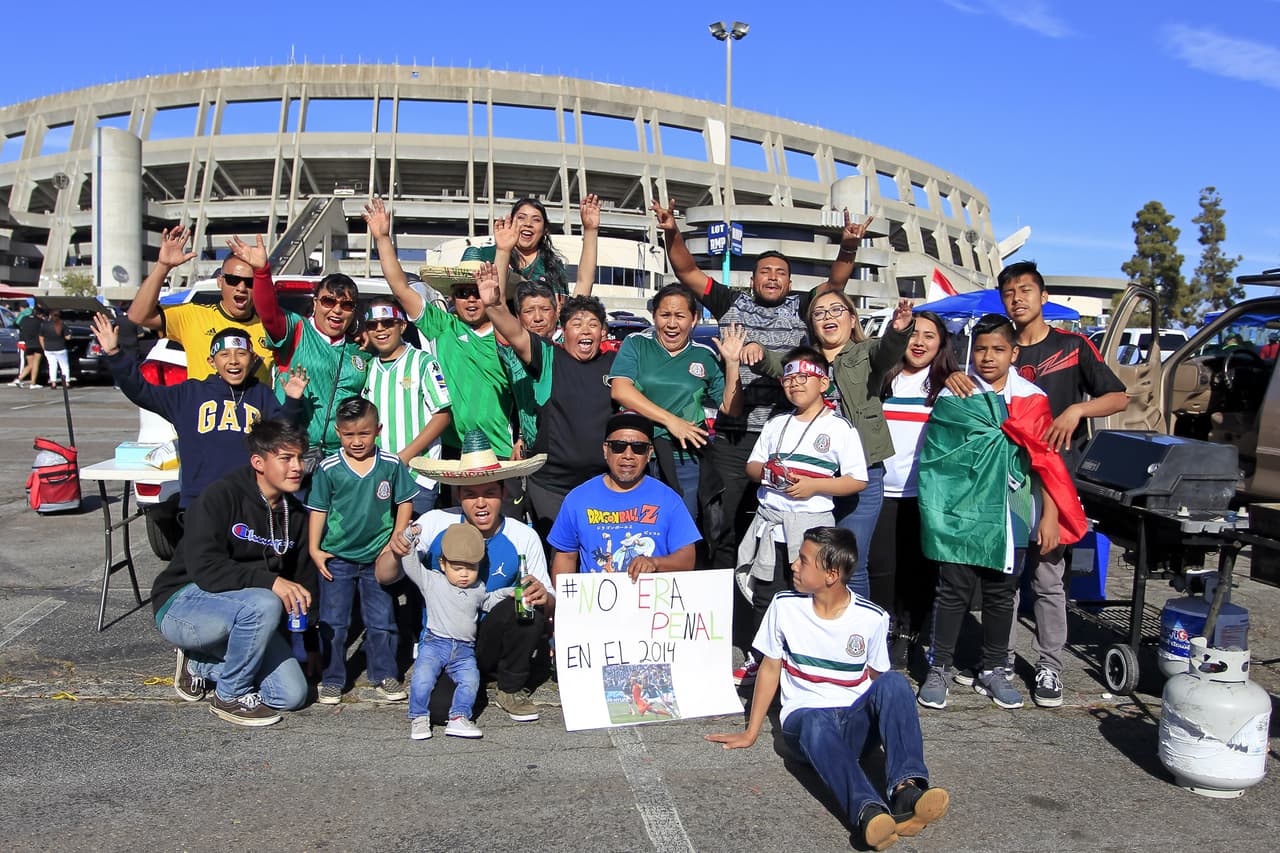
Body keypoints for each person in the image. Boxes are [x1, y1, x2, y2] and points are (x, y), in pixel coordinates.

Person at [651, 200, 875, 570]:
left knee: (779, 523)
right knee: (720, 523)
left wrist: (848, 246)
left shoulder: (803, 306)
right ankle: (723, 596)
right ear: (752, 279)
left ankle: (773, 593)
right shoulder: (730, 301)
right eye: (765, 272)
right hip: (733, 436)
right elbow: (687, 270)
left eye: (780, 273)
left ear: (789, 282)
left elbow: (836, 282)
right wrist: (672, 231)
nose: (772, 277)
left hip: (786, 434)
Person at [949, 261, 1126, 707]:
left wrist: (1076, 412)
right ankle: (999, 660)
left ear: (1042, 296)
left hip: (1052, 478)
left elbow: (1119, 394)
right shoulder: (996, 349)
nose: (1018, 299)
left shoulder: (1072, 345)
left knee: (1048, 578)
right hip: (999, 481)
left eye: (1026, 290)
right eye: (1009, 293)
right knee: (1002, 578)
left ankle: (1049, 665)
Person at [706, 527, 949, 852]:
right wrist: (750, 732)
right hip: (804, 728)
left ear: (831, 574)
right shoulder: (784, 605)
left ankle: (907, 792)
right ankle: (868, 813)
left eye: (804, 561)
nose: (793, 564)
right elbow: (769, 668)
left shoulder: (872, 618)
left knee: (894, 682)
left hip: (852, 725)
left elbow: (877, 681)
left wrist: (886, 718)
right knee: (815, 720)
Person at [917, 314, 1085, 711]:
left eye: (997, 349)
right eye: (980, 348)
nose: (987, 357)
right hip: (960, 508)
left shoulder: (1032, 398)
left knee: (1000, 593)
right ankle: (938, 666)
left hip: (1013, 507)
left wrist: (1047, 517)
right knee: (954, 590)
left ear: (1014, 352)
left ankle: (995, 669)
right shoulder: (954, 393)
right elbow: (941, 456)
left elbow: (1042, 460)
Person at [744, 295, 915, 598]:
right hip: (808, 473)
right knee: (812, 561)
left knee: (849, 562)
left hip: (859, 474)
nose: (828, 316)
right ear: (812, 325)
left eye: (837, 309)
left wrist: (899, 330)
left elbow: (888, 350)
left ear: (852, 318)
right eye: (819, 313)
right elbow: (777, 365)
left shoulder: (866, 353)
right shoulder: (805, 359)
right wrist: (757, 353)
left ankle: (854, 635)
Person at [150, 418, 316, 727]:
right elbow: (205, 570)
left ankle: (199, 664)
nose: (297, 467)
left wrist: (311, 644)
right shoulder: (220, 496)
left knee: (292, 694)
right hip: (184, 603)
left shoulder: (294, 514)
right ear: (258, 462)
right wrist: (271, 582)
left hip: (245, 611)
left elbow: (303, 581)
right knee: (266, 602)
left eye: (299, 458)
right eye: (286, 458)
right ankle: (230, 696)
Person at [394, 430, 552, 722]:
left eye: (490, 493)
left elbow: (550, 601)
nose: (481, 503)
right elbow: (386, 575)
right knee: (438, 712)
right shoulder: (433, 523)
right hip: (446, 641)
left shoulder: (523, 536)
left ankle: (509, 685)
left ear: (503, 493)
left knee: (525, 606)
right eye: (471, 494)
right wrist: (396, 550)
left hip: (492, 637)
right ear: (458, 495)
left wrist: (542, 596)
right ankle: (472, 682)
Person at [735, 347, 868, 684]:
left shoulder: (840, 428)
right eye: (789, 378)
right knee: (767, 594)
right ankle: (761, 658)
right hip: (772, 523)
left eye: (803, 378)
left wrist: (814, 486)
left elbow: (857, 479)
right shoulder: (777, 423)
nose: (794, 384)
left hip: (812, 527)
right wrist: (767, 473)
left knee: (809, 596)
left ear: (823, 383)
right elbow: (752, 466)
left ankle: (804, 662)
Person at [91, 316, 309, 512]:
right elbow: (141, 391)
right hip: (200, 501)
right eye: (224, 354)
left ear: (252, 360)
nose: (233, 360)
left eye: (241, 354)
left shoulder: (260, 394)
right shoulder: (189, 393)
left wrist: (292, 400)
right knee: (202, 556)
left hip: (250, 500)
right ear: (211, 362)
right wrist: (114, 354)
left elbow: (282, 435)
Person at [365, 198, 515, 459]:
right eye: (463, 292)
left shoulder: (507, 333)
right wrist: (382, 238)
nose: (471, 299)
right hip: (452, 450)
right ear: (452, 298)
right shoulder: (443, 325)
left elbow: (497, 299)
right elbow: (401, 289)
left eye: (477, 291)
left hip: (499, 451)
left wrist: (503, 252)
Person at [476, 264, 615, 540]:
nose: (584, 330)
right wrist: (493, 305)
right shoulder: (548, 357)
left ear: (603, 332)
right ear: (565, 329)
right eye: (576, 324)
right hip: (551, 486)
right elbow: (515, 334)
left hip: (602, 484)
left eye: (592, 324)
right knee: (557, 553)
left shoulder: (616, 363)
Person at [307, 397, 419, 705]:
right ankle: (332, 679)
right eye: (349, 434)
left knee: (381, 620)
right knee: (334, 622)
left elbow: (405, 500)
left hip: (376, 557)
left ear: (378, 430)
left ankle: (384, 674)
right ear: (338, 433)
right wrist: (314, 549)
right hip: (337, 557)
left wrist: (397, 535)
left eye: (364, 434)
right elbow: (318, 509)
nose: (356, 441)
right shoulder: (329, 468)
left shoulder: (391, 464)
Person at [866, 311, 959, 668]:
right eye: (913, 334)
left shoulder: (947, 384)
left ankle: (908, 633)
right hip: (880, 491)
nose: (919, 342)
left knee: (916, 570)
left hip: (922, 495)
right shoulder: (882, 380)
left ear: (941, 344)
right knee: (881, 566)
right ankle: (884, 627)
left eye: (929, 336)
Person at [608, 284, 746, 522]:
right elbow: (620, 390)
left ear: (693, 319)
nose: (672, 324)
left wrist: (733, 364)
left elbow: (731, 409)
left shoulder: (705, 355)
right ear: (654, 316)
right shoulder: (637, 344)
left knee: (680, 525)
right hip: (636, 453)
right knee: (634, 523)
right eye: (665, 315)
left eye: (680, 316)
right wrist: (671, 421)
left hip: (685, 459)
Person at [232, 236, 370, 457]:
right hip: (293, 452)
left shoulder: (360, 349)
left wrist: (362, 328)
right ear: (315, 303)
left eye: (346, 305)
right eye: (328, 301)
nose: (336, 310)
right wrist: (261, 272)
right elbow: (269, 313)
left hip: (344, 458)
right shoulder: (297, 329)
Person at [377, 522, 515, 741]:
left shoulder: (477, 587)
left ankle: (459, 717)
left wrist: (510, 592)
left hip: (464, 650)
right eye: (457, 568)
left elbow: (488, 602)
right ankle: (419, 717)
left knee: (470, 681)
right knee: (422, 678)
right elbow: (411, 565)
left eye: (471, 568)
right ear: (442, 564)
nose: (464, 574)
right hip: (435, 644)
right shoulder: (432, 580)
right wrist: (409, 539)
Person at [548, 412, 702, 581]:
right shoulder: (577, 499)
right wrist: (565, 604)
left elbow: (687, 559)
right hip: (596, 603)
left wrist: (655, 563)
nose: (628, 455)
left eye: (638, 447)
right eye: (619, 446)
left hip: (651, 602)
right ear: (606, 450)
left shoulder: (668, 499)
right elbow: (566, 557)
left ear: (649, 453)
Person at [128, 224, 275, 383]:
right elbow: (138, 316)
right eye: (233, 280)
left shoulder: (273, 327)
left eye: (249, 282)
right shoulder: (193, 316)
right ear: (220, 281)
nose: (241, 288)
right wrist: (163, 267)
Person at [360, 297, 453, 515]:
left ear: (402, 325)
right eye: (373, 325)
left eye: (387, 322)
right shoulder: (368, 367)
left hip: (418, 477)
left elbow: (443, 416)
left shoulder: (423, 362)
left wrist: (403, 457)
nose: (380, 329)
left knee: (411, 545)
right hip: (378, 476)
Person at [462, 196, 570, 299]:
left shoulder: (553, 266)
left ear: (545, 229)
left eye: (536, 220)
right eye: (521, 218)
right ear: (510, 222)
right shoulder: (484, 255)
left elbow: (560, 308)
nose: (528, 223)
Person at [39, 310, 71, 388]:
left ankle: (53, 383)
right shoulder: (62, 325)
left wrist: (44, 347)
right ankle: (66, 382)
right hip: (60, 348)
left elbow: (41, 337)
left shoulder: (44, 325)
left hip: (48, 349)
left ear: (50, 316)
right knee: (64, 365)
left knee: (52, 366)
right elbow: (68, 337)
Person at [13, 306, 44, 388]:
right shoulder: (40, 321)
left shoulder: (24, 319)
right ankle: (33, 383)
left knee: (30, 364)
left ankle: (19, 379)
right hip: (37, 345)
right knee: (35, 364)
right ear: (39, 314)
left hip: (28, 344)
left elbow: (17, 325)